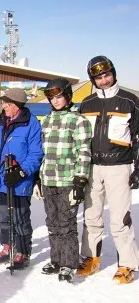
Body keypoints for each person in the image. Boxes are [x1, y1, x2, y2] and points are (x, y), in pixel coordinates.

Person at [78, 55, 139, 284]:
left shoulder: (130, 101)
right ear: (92, 80)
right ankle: (91, 258)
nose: (104, 80)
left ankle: (127, 264)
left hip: (119, 167)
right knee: (91, 216)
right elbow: (80, 139)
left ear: (113, 73)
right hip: (93, 167)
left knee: (120, 219)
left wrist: (138, 167)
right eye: (98, 77)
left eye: (107, 75)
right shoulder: (87, 104)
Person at [34, 78, 92, 282]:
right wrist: (38, 180)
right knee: (52, 222)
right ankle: (56, 259)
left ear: (68, 96)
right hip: (49, 179)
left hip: (68, 180)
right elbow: (43, 152)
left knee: (67, 224)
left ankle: (69, 263)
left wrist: (80, 181)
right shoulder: (47, 120)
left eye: (58, 96)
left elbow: (84, 152)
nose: (55, 101)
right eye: (51, 98)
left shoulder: (79, 121)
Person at [0, 87, 43, 269]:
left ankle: (22, 251)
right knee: (3, 217)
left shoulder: (31, 124)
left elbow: (36, 154)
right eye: (4, 102)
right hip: (1, 179)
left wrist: (21, 172)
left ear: (17, 105)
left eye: (8, 103)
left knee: (20, 218)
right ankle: (7, 247)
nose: (4, 106)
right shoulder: (1, 122)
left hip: (19, 181)